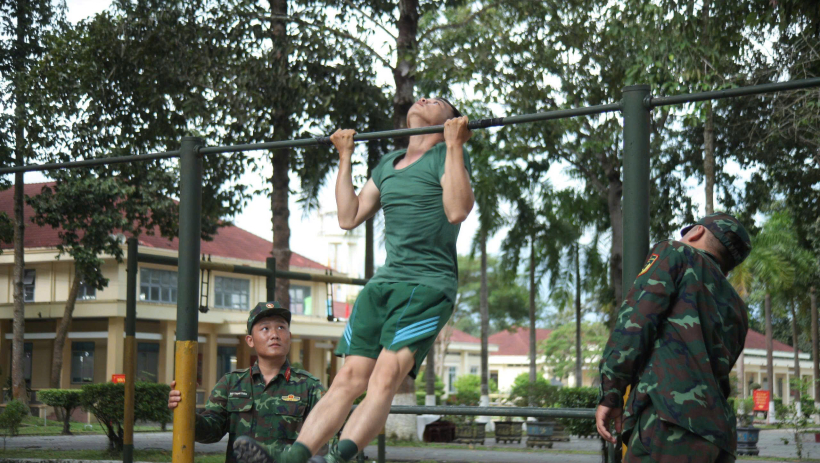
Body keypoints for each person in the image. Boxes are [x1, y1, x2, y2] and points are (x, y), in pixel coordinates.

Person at [233, 97, 474, 463]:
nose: (424, 98)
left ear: (449, 123)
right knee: (348, 380)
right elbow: (349, 215)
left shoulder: (447, 156)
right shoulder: (387, 165)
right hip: (382, 286)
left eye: (438, 100)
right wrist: (345, 155)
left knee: (384, 378)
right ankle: (293, 459)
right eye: (423, 96)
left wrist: (454, 144)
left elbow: (457, 210)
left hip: (426, 285)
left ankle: (336, 458)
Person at [596, 212, 753, 463]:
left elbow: (635, 323)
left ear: (697, 232)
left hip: (671, 424)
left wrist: (611, 392)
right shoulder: (737, 307)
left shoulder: (674, 253)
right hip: (719, 436)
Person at [168, 302, 324, 463]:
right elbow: (210, 432)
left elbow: (324, 436)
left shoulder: (309, 386)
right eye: (265, 328)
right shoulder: (231, 383)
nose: (274, 334)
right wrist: (184, 410)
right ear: (250, 340)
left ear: (289, 337)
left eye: (281, 327)